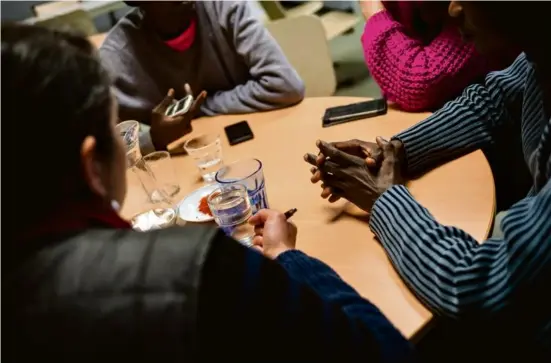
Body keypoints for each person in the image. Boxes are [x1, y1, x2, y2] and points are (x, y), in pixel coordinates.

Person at [2, 24, 415, 362]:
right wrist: (289, 258)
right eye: (117, 127)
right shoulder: (192, 270)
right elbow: (384, 351)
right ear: (92, 165)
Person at [307, 1, 551, 360]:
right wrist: (395, 151)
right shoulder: (539, 53)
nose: (453, 8)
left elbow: (480, 287)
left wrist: (385, 201)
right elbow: (493, 99)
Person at [100, 1, 305, 153]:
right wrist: (153, 138)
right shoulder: (115, 59)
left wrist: (202, 108)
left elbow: (285, 85)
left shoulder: (223, 8)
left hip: (259, 145)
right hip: (183, 170)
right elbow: (104, 156)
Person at [360, 1, 517, 112]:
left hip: (492, 118)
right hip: (429, 116)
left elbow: (419, 84)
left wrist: (375, 14)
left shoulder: (474, 15)